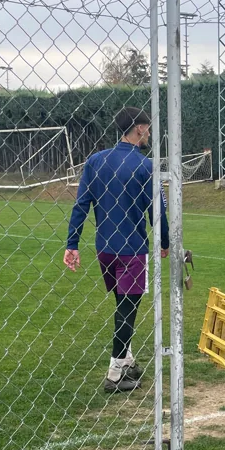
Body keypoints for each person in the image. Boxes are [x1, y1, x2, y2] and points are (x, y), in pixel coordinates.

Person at [65, 107, 169, 393]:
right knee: (128, 306)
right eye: (147, 128)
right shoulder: (146, 166)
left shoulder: (96, 161)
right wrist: (165, 242)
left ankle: (127, 359)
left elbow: (81, 203)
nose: (148, 133)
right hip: (132, 249)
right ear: (138, 129)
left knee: (123, 302)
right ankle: (114, 373)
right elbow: (157, 209)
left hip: (105, 249)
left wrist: (72, 243)